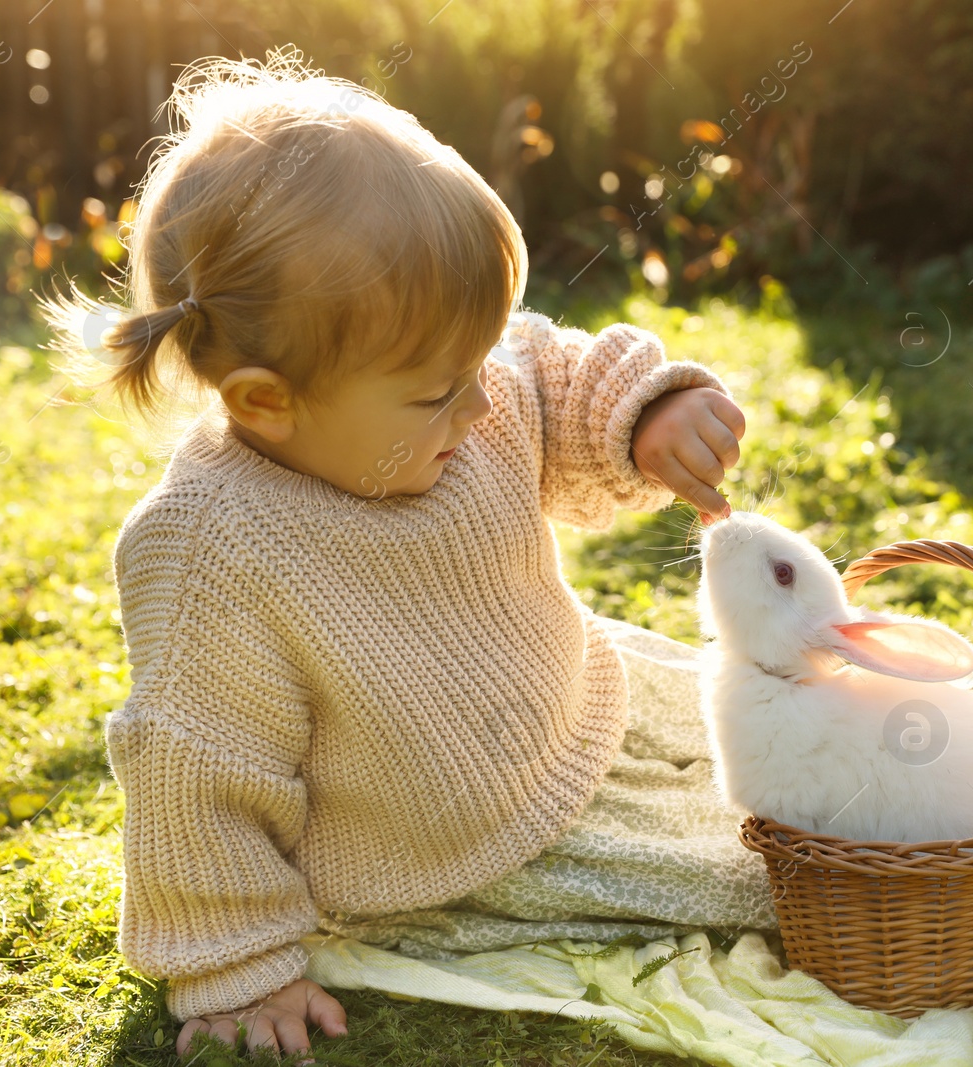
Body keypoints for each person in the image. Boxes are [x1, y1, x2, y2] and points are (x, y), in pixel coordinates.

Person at [38, 46, 756, 1062]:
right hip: (454, 846)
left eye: (478, 359)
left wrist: (646, 411)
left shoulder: (458, 380)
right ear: (263, 400)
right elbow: (197, 771)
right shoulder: (214, 548)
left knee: (797, 721)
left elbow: (548, 374)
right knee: (772, 862)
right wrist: (236, 964)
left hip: (578, 701)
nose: (481, 399)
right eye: (436, 391)